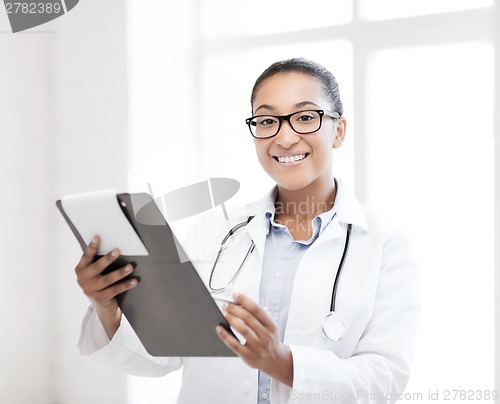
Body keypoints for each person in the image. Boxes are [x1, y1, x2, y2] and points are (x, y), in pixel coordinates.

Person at [75, 58, 420, 403]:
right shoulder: (215, 232)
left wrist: (281, 361)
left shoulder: (385, 246)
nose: (285, 137)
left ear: (338, 130)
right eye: (268, 121)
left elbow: (384, 382)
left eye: (305, 117)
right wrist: (109, 307)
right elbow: (166, 353)